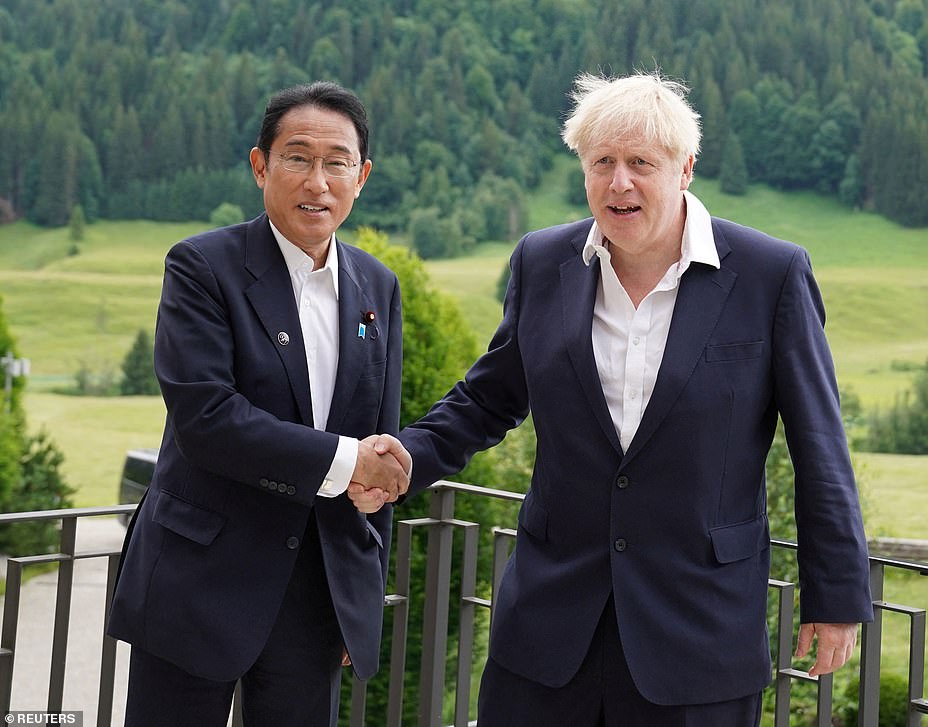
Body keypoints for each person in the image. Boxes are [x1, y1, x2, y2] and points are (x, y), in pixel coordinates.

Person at [354, 71, 873, 726]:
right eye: (603, 163)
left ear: (684, 169)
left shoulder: (771, 274)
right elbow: (489, 399)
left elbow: (819, 447)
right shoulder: (542, 262)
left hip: (698, 634)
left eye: (640, 164)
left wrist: (835, 596)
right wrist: (403, 459)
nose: (619, 182)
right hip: (546, 630)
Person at [108, 81, 408, 727]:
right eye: (298, 157)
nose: (318, 181)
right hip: (197, 584)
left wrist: (362, 590)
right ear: (260, 165)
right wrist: (346, 458)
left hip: (314, 599)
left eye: (338, 162)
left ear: (363, 176)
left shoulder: (378, 287)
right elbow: (207, 419)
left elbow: (379, 451)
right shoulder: (200, 266)